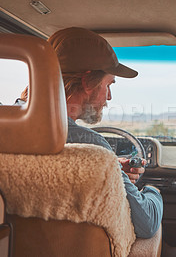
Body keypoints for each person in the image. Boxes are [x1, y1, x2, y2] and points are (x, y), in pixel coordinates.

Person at [43, 27, 163, 239]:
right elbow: (147, 223)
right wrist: (153, 191)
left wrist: (110, 168)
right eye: (108, 84)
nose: (109, 97)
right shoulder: (91, 144)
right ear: (88, 82)